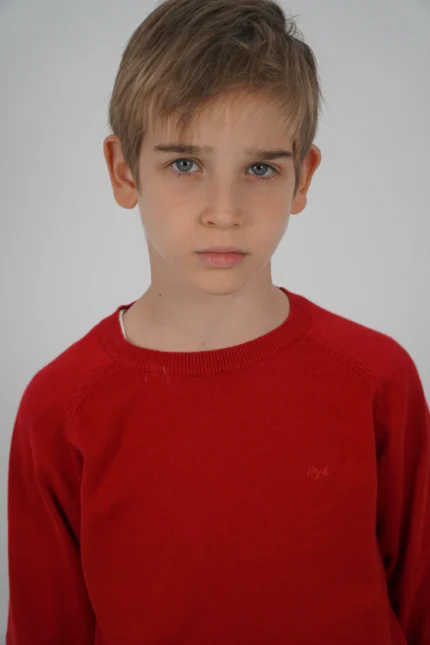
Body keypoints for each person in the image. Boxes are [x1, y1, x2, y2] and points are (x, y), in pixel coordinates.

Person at [6, 0, 430, 643]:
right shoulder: (60, 408)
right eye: (185, 164)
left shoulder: (377, 378)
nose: (224, 211)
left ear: (302, 177)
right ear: (124, 170)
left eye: (260, 168)